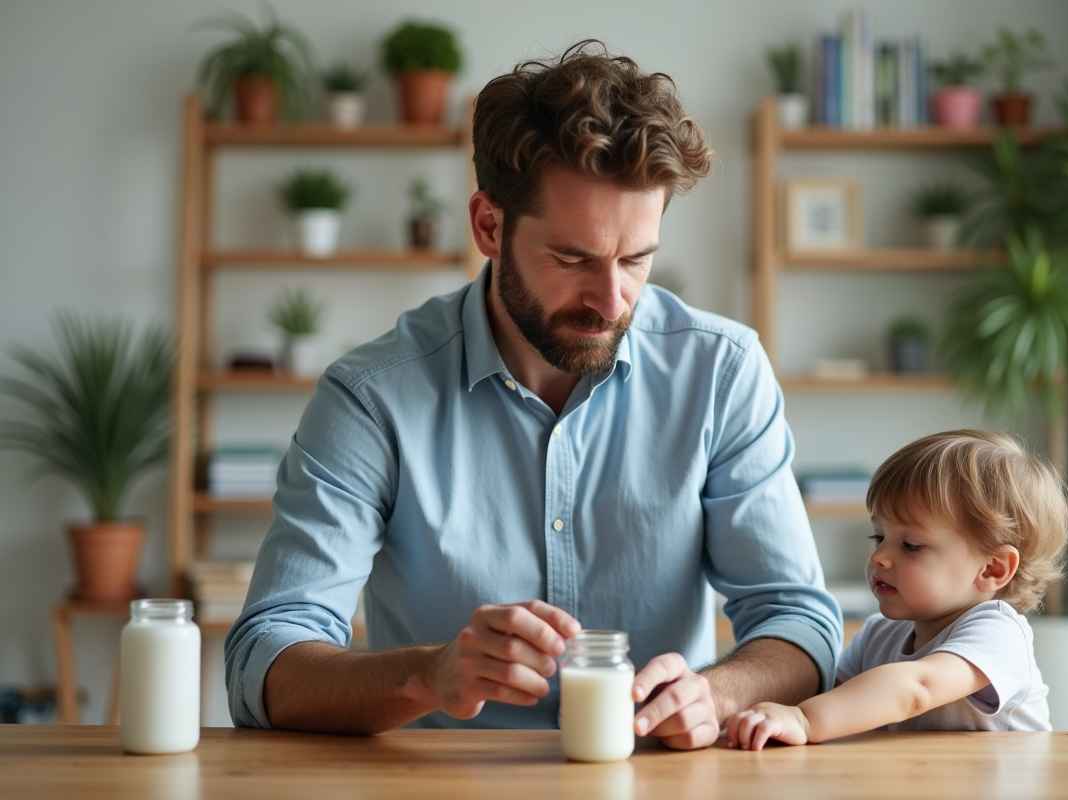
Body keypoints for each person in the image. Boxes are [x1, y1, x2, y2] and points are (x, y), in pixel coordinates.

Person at [224, 39, 841, 749]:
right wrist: (429, 675)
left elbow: (802, 623)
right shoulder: (372, 398)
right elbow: (263, 660)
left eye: (636, 259)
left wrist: (720, 692)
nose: (611, 300)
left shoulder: (722, 372)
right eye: (573, 259)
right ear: (490, 226)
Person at [726, 429, 1068, 749]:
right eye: (879, 537)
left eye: (910, 545)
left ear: (992, 568)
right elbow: (831, 695)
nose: (878, 557)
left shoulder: (998, 634)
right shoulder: (880, 634)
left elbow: (915, 688)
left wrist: (803, 719)